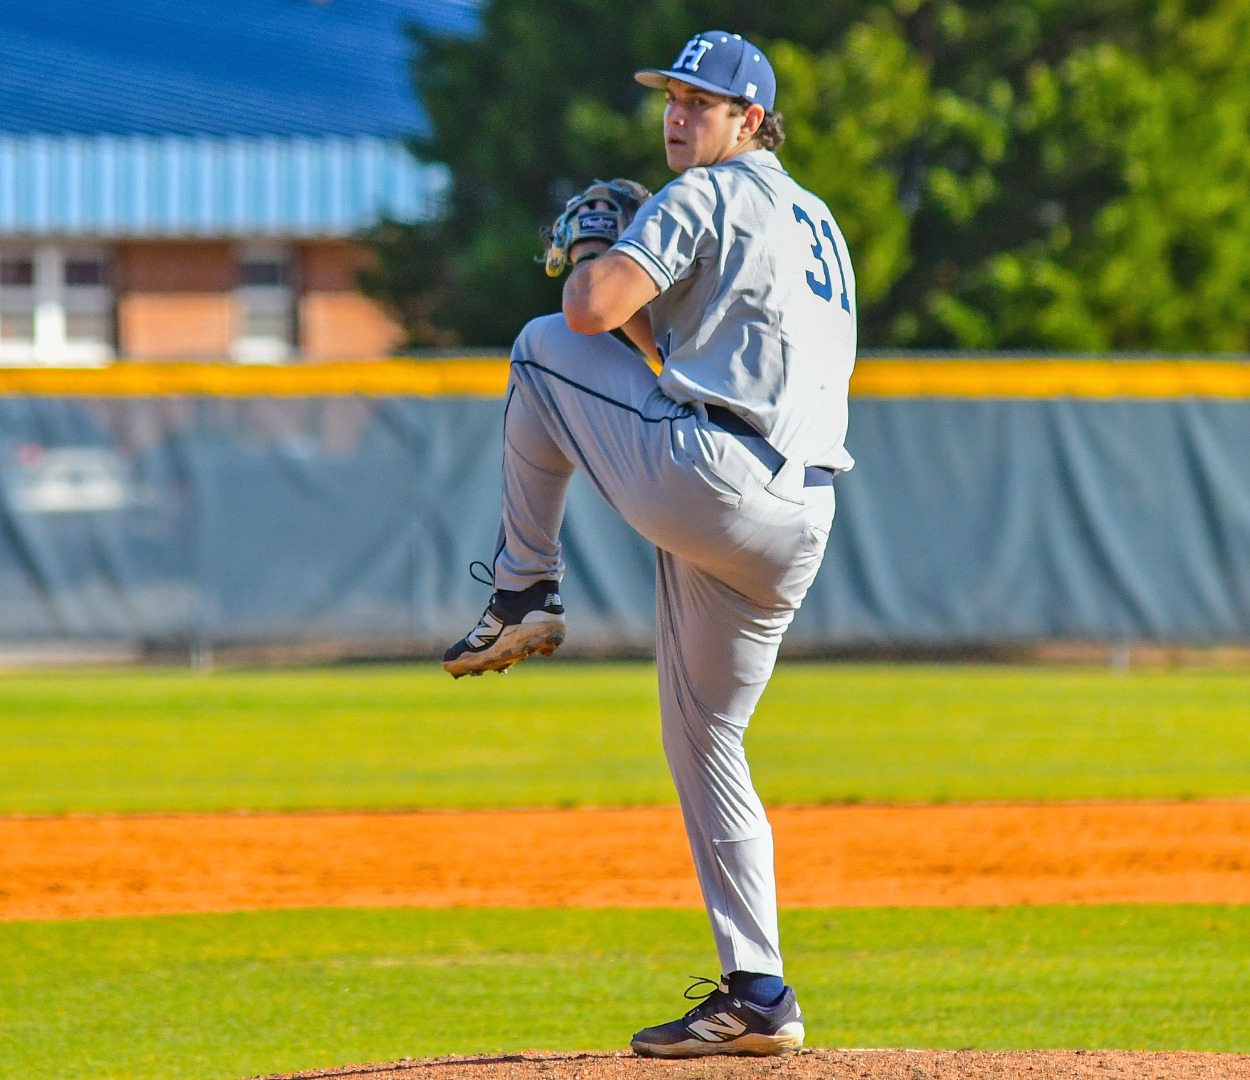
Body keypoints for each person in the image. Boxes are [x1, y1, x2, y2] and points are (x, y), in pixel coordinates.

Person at [442, 29, 857, 1058]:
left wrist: (594, 251)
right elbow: (676, 346)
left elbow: (588, 311)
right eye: (673, 96)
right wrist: (636, 299)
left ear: (750, 121)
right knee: (706, 738)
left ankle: (522, 588)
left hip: (714, 475)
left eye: (703, 103)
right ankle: (759, 993)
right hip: (795, 519)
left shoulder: (708, 193)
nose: (680, 115)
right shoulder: (820, 221)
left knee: (540, 348)